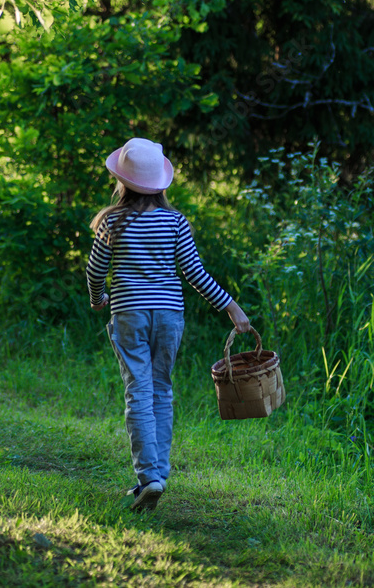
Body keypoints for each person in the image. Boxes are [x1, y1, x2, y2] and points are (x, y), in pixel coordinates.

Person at [86, 137, 250, 512]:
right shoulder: (175, 221)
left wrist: (98, 299)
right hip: (169, 316)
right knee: (161, 390)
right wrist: (232, 308)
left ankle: (149, 477)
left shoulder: (111, 221)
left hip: (128, 314)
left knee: (138, 392)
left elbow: (95, 270)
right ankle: (157, 474)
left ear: (122, 181)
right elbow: (195, 273)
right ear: (160, 182)